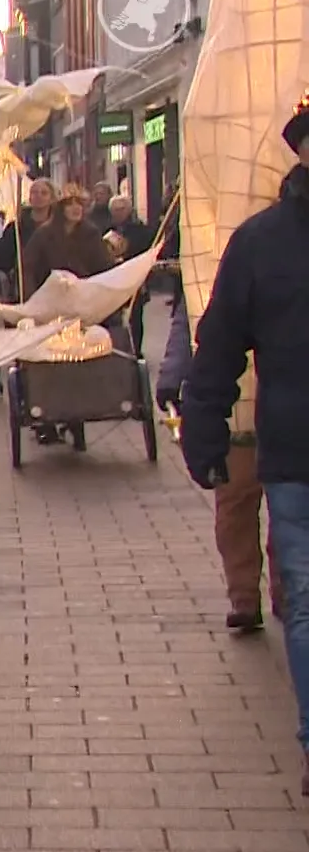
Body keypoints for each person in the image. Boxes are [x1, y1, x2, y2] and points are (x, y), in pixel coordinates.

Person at [182, 98, 309, 794]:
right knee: (307, 598)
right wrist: (205, 427)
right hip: (297, 453)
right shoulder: (261, 243)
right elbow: (222, 341)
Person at [158, 292, 281, 632]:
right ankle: (244, 597)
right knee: (236, 505)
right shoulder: (206, 261)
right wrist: (172, 379)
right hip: (235, 412)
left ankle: (285, 592)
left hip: (276, 409)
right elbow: (185, 328)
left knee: (283, 509)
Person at [106, 194, 156, 352]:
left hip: (134, 276)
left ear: (128, 210)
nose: (118, 213)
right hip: (113, 277)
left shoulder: (139, 229)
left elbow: (146, 250)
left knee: (135, 315)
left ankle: (136, 349)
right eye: (115, 210)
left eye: (121, 209)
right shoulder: (105, 229)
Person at [0, 177, 56, 283]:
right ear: (30, 198)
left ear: (52, 198)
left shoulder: (58, 226)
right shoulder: (17, 227)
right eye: (34, 192)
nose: (38, 196)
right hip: (24, 283)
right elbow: (2, 258)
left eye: (44, 193)